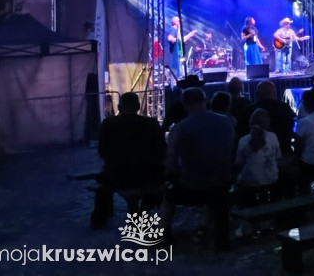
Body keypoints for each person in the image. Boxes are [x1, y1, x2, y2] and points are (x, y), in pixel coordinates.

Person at [161, 87, 235, 249]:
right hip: (223, 181)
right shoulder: (227, 121)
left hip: (193, 185)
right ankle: (217, 237)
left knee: (168, 195)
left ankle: (163, 233)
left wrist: (170, 174)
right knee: (217, 194)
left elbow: (171, 163)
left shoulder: (179, 128)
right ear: (205, 101)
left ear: (184, 104)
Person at [91, 92, 166, 229]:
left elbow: (102, 151)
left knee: (103, 189)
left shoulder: (108, 124)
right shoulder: (151, 123)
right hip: (148, 176)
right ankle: (144, 212)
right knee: (161, 188)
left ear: (119, 106)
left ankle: (100, 221)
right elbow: (162, 152)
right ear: (138, 106)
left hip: (116, 176)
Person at [240, 80, 295, 157]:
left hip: (255, 154)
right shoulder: (284, 107)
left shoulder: (250, 110)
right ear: (274, 93)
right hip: (284, 150)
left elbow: (243, 131)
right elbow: (291, 126)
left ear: (257, 94)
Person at [235, 108, 282, 191]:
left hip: (248, 183)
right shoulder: (273, 137)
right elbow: (278, 157)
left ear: (250, 122)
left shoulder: (243, 140)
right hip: (272, 180)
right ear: (267, 123)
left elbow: (239, 163)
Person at [165, 16, 197, 81]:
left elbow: (182, 40)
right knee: (175, 72)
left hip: (177, 53)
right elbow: (169, 38)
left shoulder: (176, 30)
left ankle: (176, 82)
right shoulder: (174, 29)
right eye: (178, 21)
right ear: (174, 22)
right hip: (174, 54)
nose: (180, 22)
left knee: (177, 71)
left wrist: (189, 35)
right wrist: (177, 40)